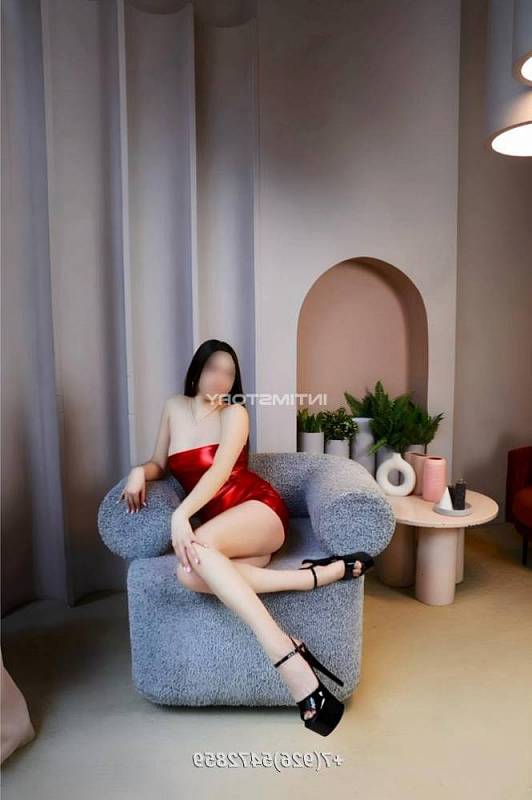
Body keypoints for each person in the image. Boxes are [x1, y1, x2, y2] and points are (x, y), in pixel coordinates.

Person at [119, 339, 374, 736]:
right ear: (196, 371)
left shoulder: (235, 413)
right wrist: (139, 471)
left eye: (229, 373)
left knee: (195, 550)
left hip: (258, 511)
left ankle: (285, 656)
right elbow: (159, 462)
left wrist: (181, 516)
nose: (221, 379)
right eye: (213, 369)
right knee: (189, 572)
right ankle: (317, 575)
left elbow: (220, 472)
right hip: (222, 535)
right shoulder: (174, 407)